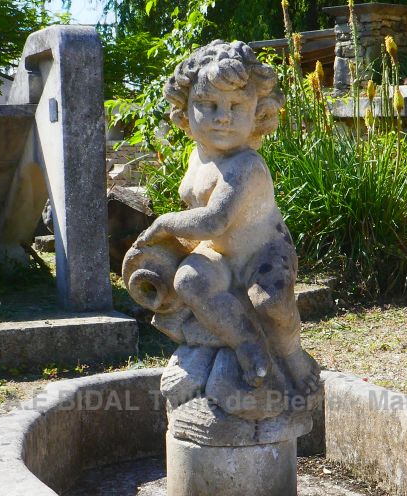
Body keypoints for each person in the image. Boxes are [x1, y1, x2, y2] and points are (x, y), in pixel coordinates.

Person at [134, 40, 319, 395]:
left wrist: (163, 224)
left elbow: (214, 221)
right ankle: (246, 343)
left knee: (271, 303)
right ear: (185, 110)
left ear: (258, 113)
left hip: (263, 253)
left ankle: (291, 353)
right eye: (208, 104)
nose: (222, 116)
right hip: (218, 252)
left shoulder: (246, 165)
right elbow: (200, 220)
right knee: (189, 281)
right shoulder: (198, 156)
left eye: (236, 106)